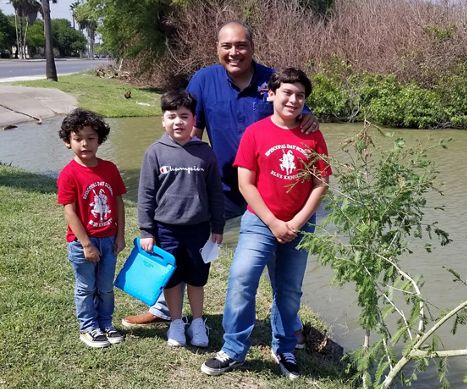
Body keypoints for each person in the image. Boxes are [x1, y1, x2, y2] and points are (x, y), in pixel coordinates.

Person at [122, 21, 317, 348]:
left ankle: (289, 323)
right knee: (183, 242)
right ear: (217, 48)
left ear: (252, 47)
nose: (234, 52)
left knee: (275, 256)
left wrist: (310, 118)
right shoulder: (204, 79)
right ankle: (163, 307)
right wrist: (166, 159)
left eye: (240, 45)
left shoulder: (272, 81)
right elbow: (186, 127)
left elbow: (298, 114)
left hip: (266, 193)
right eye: (226, 46)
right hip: (220, 187)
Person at [200, 67, 331, 379]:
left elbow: (321, 183)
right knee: (242, 279)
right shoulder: (256, 133)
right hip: (260, 221)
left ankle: (284, 348)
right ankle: (233, 350)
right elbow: (246, 184)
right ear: (271, 94)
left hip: (300, 226)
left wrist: (297, 221)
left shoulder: (312, 134)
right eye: (287, 92)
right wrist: (273, 222)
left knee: (288, 291)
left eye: (300, 95)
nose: (293, 99)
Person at [137, 90, 225, 347]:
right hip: (166, 229)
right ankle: (176, 322)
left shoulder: (205, 153)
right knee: (172, 278)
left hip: (199, 229)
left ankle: (197, 322)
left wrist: (217, 226)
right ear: (163, 120)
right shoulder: (154, 152)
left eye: (184, 116)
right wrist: (147, 231)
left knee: (197, 277)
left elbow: (215, 193)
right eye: (171, 116)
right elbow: (146, 195)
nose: (178, 122)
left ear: (193, 120)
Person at [57, 108, 126, 348]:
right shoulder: (69, 174)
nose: (85, 143)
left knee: (106, 287)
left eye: (91, 138)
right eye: (78, 138)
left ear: (100, 139)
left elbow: (118, 202)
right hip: (82, 243)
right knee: (86, 287)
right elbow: (70, 211)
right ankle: (88, 327)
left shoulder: (110, 169)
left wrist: (120, 235)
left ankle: (106, 323)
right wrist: (86, 244)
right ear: (68, 142)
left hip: (109, 240)